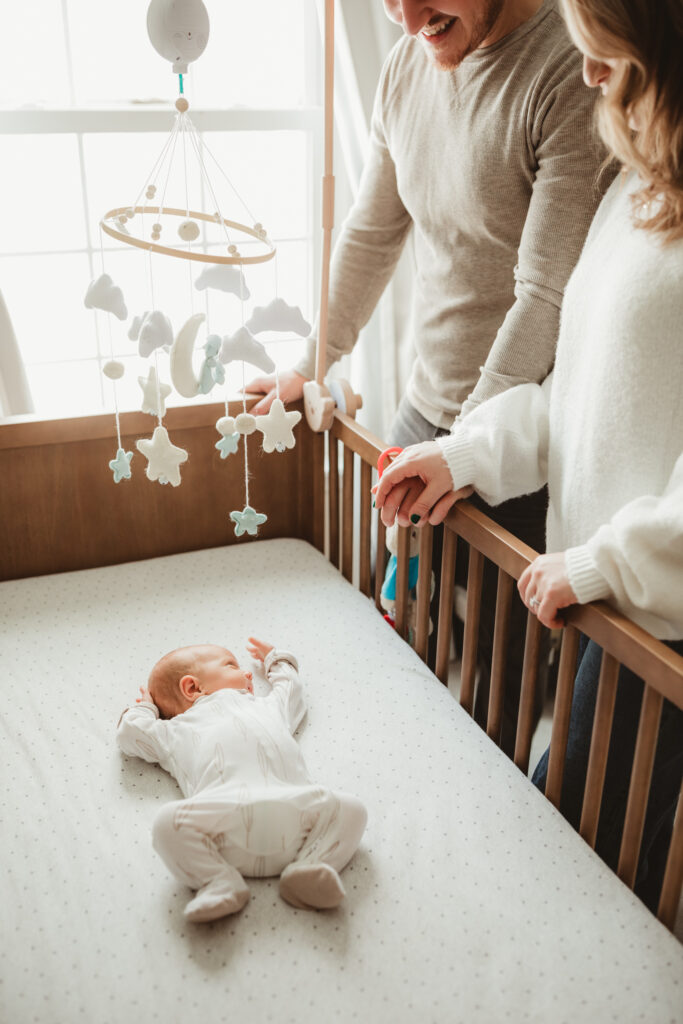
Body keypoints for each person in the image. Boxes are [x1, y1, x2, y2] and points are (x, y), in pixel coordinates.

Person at [373, 0, 683, 911]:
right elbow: (578, 393)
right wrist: (463, 456)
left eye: (607, 59)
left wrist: (601, 562)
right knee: (569, 854)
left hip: (654, 616)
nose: (588, 77)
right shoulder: (633, 193)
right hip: (610, 609)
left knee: (576, 874)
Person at [249, 0, 614, 752]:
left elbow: (543, 292)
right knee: (400, 620)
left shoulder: (564, 67)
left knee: (498, 683)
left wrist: (466, 448)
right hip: (425, 408)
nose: (406, 16)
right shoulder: (406, 61)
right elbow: (371, 230)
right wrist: (314, 361)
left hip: (521, 438)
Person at [117, 638, 367, 923]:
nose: (248, 674)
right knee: (165, 823)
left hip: (296, 811)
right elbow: (130, 735)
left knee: (353, 808)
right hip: (224, 823)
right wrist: (146, 708)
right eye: (231, 665)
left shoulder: (267, 708)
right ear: (193, 687)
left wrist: (277, 660)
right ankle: (218, 880)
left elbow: (291, 690)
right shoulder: (174, 732)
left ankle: (309, 868)